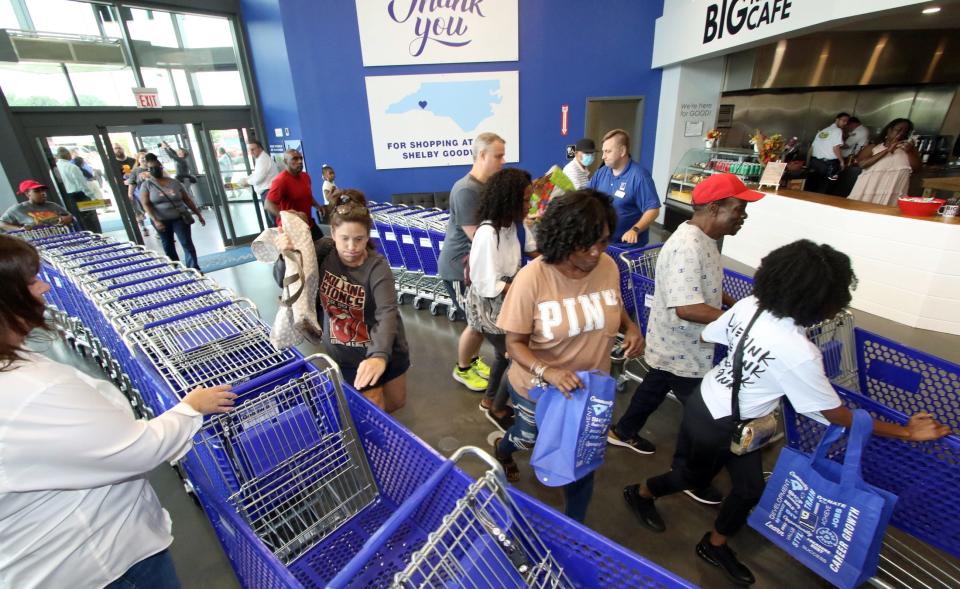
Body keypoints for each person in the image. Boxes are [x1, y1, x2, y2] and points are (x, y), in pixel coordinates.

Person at [622, 239, 950, 586]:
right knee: (692, 477)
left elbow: (710, 333)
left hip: (713, 402)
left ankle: (714, 544)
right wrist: (908, 432)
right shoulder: (799, 352)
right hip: (722, 424)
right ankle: (640, 492)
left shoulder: (751, 305)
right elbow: (836, 415)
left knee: (748, 489)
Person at [0, 234, 238, 589]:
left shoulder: (20, 371)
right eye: (31, 281)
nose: (44, 287)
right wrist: (189, 410)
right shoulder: (28, 392)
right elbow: (134, 450)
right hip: (95, 564)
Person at [609, 174, 763, 506]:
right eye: (739, 208)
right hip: (683, 345)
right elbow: (688, 308)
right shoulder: (687, 247)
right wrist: (740, 321)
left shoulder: (705, 239)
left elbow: (706, 283)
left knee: (655, 382)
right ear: (715, 207)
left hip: (680, 346)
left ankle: (623, 431)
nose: (744, 216)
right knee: (703, 413)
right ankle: (687, 474)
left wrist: (730, 303)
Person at [491, 189, 644, 522]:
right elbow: (513, 344)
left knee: (581, 461)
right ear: (563, 237)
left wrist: (631, 328)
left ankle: (576, 527)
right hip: (539, 387)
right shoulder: (532, 278)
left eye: (603, 241)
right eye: (584, 243)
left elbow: (613, 305)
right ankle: (504, 449)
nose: (594, 252)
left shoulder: (607, 265)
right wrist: (549, 371)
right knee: (527, 437)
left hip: (590, 388)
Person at [274, 202, 410, 413]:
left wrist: (379, 355)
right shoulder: (323, 254)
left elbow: (387, 312)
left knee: (396, 402)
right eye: (344, 238)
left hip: (385, 346)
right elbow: (288, 278)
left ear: (367, 237)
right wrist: (286, 255)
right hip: (347, 353)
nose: (351, 247)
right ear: (333, 233)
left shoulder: (377, 267)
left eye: (358, 239)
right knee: (374, 409)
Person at [466, 168, 537, 431]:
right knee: (516, 356)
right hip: (489, 307)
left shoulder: (516, 227)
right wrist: (522, 286)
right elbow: (486, 284)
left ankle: (489, 401)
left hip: (508, 300)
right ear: (509, 200)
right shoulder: (488, 233)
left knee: (501, 355)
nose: (529, 205)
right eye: (526, 200)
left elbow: (534, 252)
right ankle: (497, 407)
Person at [437, 132, 506, 392]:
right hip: (459, 269)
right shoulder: (466, 189)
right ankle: (463, 368)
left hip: (475, 268)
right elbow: (477, 236)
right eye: (498, 156)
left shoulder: (486, 187)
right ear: (482, 155)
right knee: (476, 323)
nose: (502, 161)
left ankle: (474, 360)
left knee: (478, 321)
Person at [587, 129, 660, 246]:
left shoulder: (639, 176)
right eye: (603, 152)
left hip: (627, 248)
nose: (603, 157)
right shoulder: (601, 173)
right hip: (604, 244)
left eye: (608, 151)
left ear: (622, 151)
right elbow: (587, 195)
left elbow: (653, 210)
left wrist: (635, 229)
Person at [139, 158, 205, 271]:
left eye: (157, 167)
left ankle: (194, 268)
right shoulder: (147, 185)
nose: (155, 170)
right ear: (149, 170)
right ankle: (175, 268)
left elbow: (187, 200)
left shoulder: (174, 182)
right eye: (152, 168)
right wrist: (155, 220)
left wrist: (198, 214)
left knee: (186, 242)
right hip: (161, 219)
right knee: (168, 244)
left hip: (179, 217)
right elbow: (146, 204)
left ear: (161, 167)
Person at [848, 118, 921, 206]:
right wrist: (887, 150)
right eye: (898, 130)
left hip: (893, 195)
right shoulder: (873, 147)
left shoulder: (909, 150)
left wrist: (909, 152)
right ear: (889, 130)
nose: (901, 134)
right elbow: (862, 164)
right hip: (868, 192)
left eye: (905, 132)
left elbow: (917, 169)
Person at [266, 149, 325, 241]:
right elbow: (268, 204)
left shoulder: (305, 176)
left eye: (300, 158)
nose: (300, 161)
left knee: (324, 247)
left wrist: (317, 206)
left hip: (308, 224)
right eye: (295, 159)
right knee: (304, 255)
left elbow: (307, 195)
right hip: (292, 229)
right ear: (286, 161)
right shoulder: (280, 181)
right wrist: (287, 217)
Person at [54, 146, 101, 233]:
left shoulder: (54, 169)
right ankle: (96, 237)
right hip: (80, 196)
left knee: (77, 221)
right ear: (68, 154)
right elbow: (82, 185)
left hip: (68, 198)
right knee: (91, 222)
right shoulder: (72, 167)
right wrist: (93, 197)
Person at [0, 180, 74, 231]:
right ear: (27, 194)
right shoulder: (18, 209)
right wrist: (19, 230)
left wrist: (68, 219)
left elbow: (70, 217)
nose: (43, 193)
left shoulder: (53, 205)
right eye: (37, 191)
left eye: (43, 190)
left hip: (61, 239)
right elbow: (1, 224)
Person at [806, 112, 850, 194]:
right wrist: (842, 161)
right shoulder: (838, 130)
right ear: (837, 119)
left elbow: (812, 148)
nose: (845, 123)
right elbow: (836, 148)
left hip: (815, 163)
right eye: (844, 120)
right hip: (829, 165)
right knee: (826, 189)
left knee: (813, 188)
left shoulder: (822, 131)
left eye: (847, 122)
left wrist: (808, 163)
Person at [244, 140, 280, 227]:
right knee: (273, 219)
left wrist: (247, 182)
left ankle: (280, 238)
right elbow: (256, 174)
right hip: (267, 192)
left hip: (269, 192)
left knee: (275, 220)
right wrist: (247, 178)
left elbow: (258, 178)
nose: (251, 152)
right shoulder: (260, 159)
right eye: (250, 150)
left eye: (253, 149)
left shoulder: (263, 159)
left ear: (260, 148)